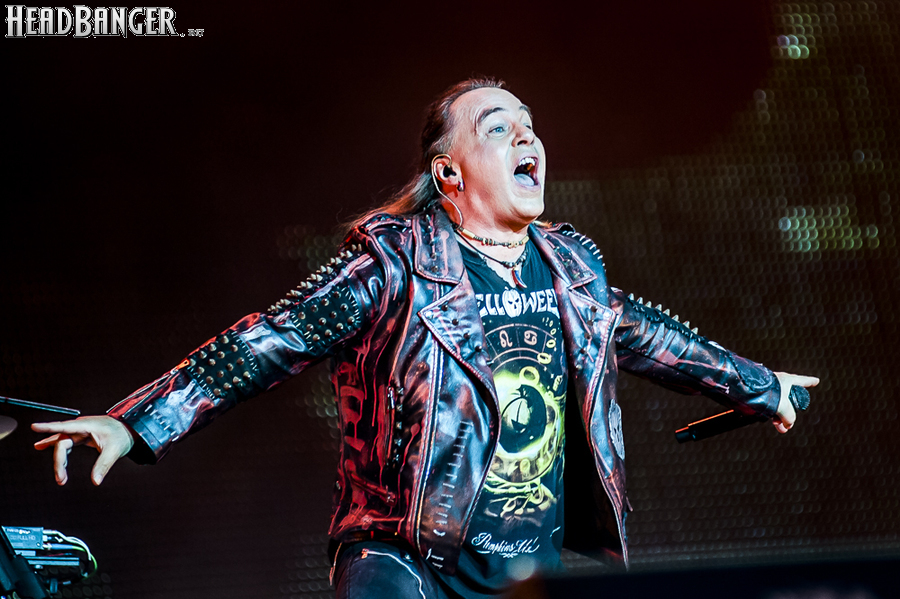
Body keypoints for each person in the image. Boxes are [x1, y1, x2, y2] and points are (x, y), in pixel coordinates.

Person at [33, 78, 819, 599]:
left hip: (526, 573)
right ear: (449, 174)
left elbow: (650, 335)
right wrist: (138, 419)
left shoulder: (572, 270)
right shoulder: (395, 264)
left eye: (530, 126)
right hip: (405, 567)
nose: (526, 137)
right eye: (498, 128)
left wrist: (761, 386)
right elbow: (272, 338)